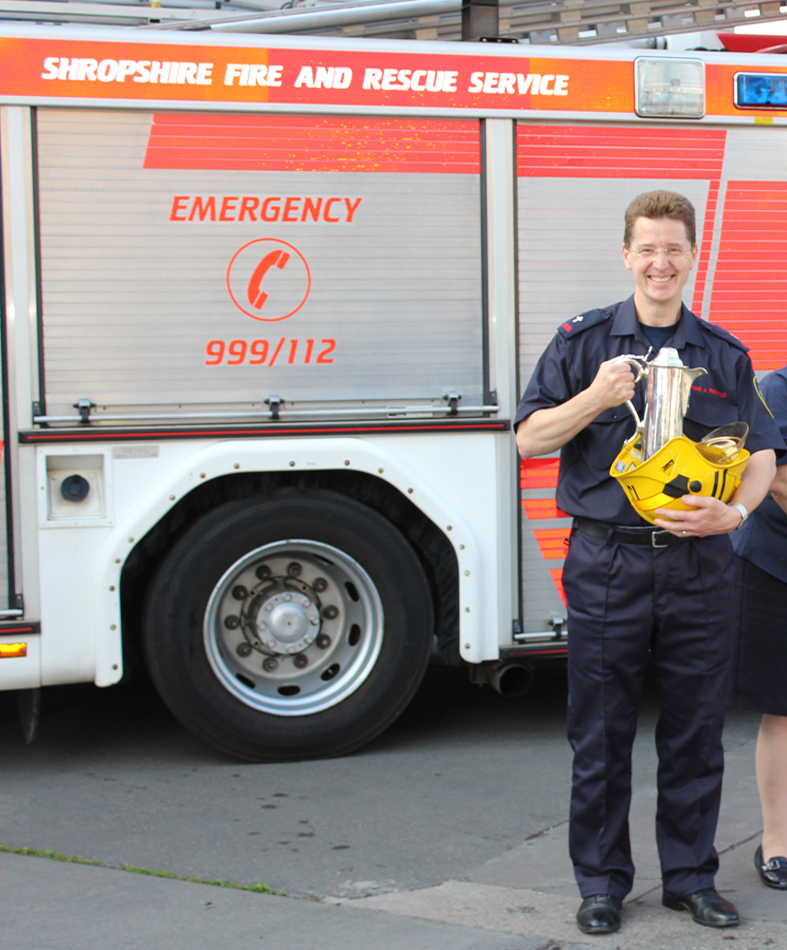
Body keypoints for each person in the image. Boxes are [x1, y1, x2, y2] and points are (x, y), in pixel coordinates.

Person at [514, 190, 784, 936]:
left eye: (673, 248)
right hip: (607, 564)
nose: (660, 261)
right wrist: (595, 398)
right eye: (647, 248)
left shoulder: (722, 353)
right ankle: (600, 883)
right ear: (625, 254)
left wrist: (734, 513)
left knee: (695, 732)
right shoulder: (582, 342)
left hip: (700, 566)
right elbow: (529, 438)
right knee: (599, 733)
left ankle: (690, 879)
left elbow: (761, 453)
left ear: (690, 256)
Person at [730, 364, 787, 892]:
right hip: (776, 569)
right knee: (783, 711)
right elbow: (777, 479)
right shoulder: (777, 390)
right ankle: (778, 844)